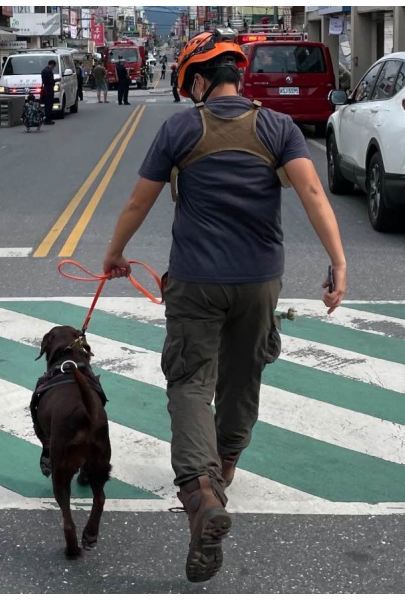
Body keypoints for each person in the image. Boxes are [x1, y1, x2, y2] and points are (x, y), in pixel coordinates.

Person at [100, 28, 346, 584]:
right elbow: (311, 194)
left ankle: (201, 493)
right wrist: (339, 262)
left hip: (195, 281)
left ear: (203, 80)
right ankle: (224, 471)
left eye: (191, 84)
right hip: (260, 281)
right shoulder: (277, 127)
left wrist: (115, 254)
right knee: (242, 377)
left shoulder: (181, 127)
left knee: (189, 382)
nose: (189, 94)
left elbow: (140, 199)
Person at [40, 59, 57, 125]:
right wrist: (56, 80)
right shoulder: (49, 71)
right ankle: (48, 119)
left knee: (46, 104)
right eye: (54, 66)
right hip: (49, 89)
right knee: (49, 105)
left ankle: (47, 118)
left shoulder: (43, 70)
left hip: (45, 89)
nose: (53, 68)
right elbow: (51, 81)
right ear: (52, 65)